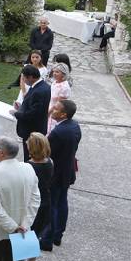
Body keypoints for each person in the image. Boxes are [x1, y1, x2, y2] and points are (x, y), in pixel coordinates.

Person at [45, 100, 81, 249]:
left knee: (51, 205)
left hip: (56, 174)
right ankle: (58, 235)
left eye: (56, 108)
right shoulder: (75, 126)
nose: (53, 109)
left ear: (64, 114)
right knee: (62, 202)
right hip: (67, 171)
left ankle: (48, 238)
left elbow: (46, 153)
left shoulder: (58, 132)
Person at [22, 132, 53, 261]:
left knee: (23, 235)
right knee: (35, 234)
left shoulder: (27, 166)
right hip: (45, 202)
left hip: (31, 204)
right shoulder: (50, 162)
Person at [11, 65, 50, 162]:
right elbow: (34, 107)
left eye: (24, 77)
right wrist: (21, 107)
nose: (23, 80)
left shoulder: (39, 91)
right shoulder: (42, 86)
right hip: (35, 128)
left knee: (30, 156)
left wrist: (16, 113)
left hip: (32, 130)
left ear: (31, 77)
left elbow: (32, 114)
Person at [47, 63, 72, 134]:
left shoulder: (64, 87)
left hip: (55, 110)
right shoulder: (55, 82)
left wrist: (48, 113)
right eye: (54, 71)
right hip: (50, 106)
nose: (54, 73)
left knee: (51, 128)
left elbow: (58, 104)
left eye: (57, 72)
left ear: (63, 74)